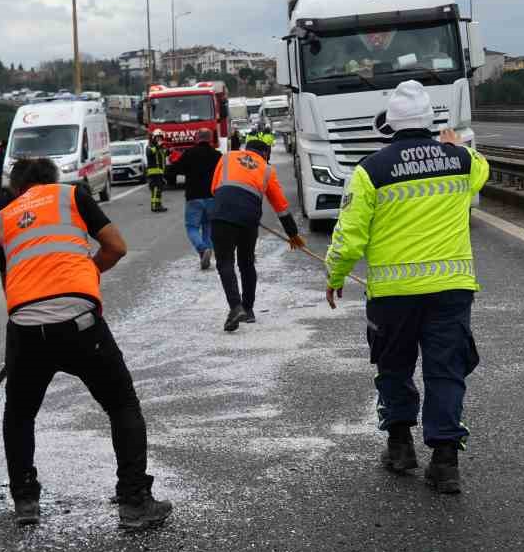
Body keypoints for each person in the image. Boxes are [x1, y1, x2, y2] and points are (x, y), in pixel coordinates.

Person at [324, 80, 489, 495]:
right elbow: (482, 171)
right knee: (445, 371)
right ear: (430, 120)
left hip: (393, 297)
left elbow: (349, 235)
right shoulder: (462, 161)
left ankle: (400, 447)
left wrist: (335, 276)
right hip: (451, 289)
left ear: (390, 124)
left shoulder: (370, 170)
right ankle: (446, 461)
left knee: (393, 367)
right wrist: (454, 146)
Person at [0, 157, 172, 531]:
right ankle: (134, 500)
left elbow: (10, 282)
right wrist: (86, 272)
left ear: (16, 188)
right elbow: (116, 247)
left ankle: (25, 501)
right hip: (79, 322)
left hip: (25, 326)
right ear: (52, 179)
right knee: (121, 404)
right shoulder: (71, 196)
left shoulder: (4, 218)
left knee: (20, 414)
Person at [209, 135, 304, 332]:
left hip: (222, 213)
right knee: (246, 263)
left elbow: (214, 188)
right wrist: (292, 234)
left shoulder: (227, 157)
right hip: (248, 218)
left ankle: (235, 307)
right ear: (265, 154)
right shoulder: (267, 169)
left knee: (225, 262)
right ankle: (248, 309)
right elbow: (281, 206)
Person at [174, 137, 221, 271]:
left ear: (197, 139)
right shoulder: (217, 155)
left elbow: (177, 169)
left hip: (193, 197)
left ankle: (202, 249)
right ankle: (206, 254)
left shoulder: (189, 153)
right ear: (210, 139)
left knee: (192, 227)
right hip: (212, 196)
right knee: (208, 226)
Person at [144, 135, 169, 213]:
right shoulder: (150, 146)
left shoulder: (160, 148)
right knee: (155, 189)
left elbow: (164, 155)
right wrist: (158, 146)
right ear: (154, 138)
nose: (159, 139)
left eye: (160, 138)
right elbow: (150, 152)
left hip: (160, 172)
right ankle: (154, 206)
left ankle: (159, 205)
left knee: (159, 189)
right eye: (158, 138)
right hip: (153, 172)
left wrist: (169, 151)